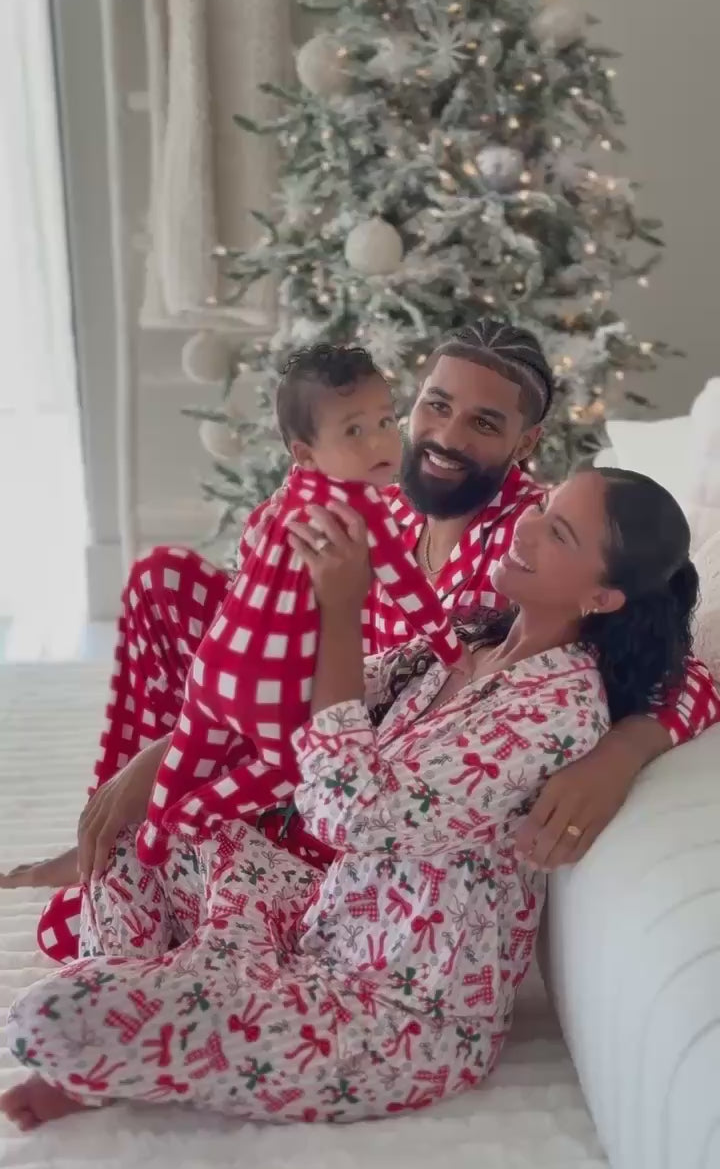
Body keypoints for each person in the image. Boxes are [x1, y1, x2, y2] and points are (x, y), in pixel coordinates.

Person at [0, 465, 700, 1130]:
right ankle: (126, 1029)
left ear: (602, 598)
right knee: (144, 831)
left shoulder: (559, 710)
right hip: (319, 923)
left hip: (396, 1013)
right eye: (545, 508)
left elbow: (345, 811)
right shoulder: (463, 644)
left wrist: (341, 609)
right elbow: (301, 691)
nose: (527, 528)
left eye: (559, 534)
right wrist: (163, 757)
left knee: (43, 1021)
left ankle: (118, 1029)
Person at [2, 319, 718, 960]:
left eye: (484, 423)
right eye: (437, 406)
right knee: (166, 583)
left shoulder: (532, 541)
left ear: (526, 442)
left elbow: (687, 667)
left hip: (352, 804)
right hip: (293, 725)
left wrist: (622, 752)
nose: (447, 437)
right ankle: (122, 839)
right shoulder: (380, 500)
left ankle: (169, 868)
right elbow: (265, 641)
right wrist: (158, 759)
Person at [135, 343, 463, 869]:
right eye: (354, 431)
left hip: (214, 664)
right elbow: (409, 588)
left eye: (385, 421)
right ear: (305, 453)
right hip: (267, 690)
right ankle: (190, 818)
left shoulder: (289, 493)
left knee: (188, 751)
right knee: (292, 766)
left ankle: (153, 834)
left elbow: (249, 555)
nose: (381, 441)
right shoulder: (365, 510)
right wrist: (450, 648)